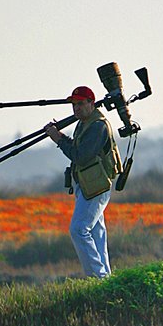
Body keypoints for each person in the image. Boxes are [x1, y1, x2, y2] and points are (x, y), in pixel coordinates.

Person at [45, 86, 122, 278]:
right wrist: (61, 136)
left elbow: (80, 156)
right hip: (88, 184)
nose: (76, 108)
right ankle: (105, 278)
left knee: (79, 229)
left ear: (91, 103)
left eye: (80, 104)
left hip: (96, 186)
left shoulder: (98, 126)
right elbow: (78, 147)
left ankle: (97, 277)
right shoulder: (85, 123)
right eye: (74, 104)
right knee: (96, 233)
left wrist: (58, 140)